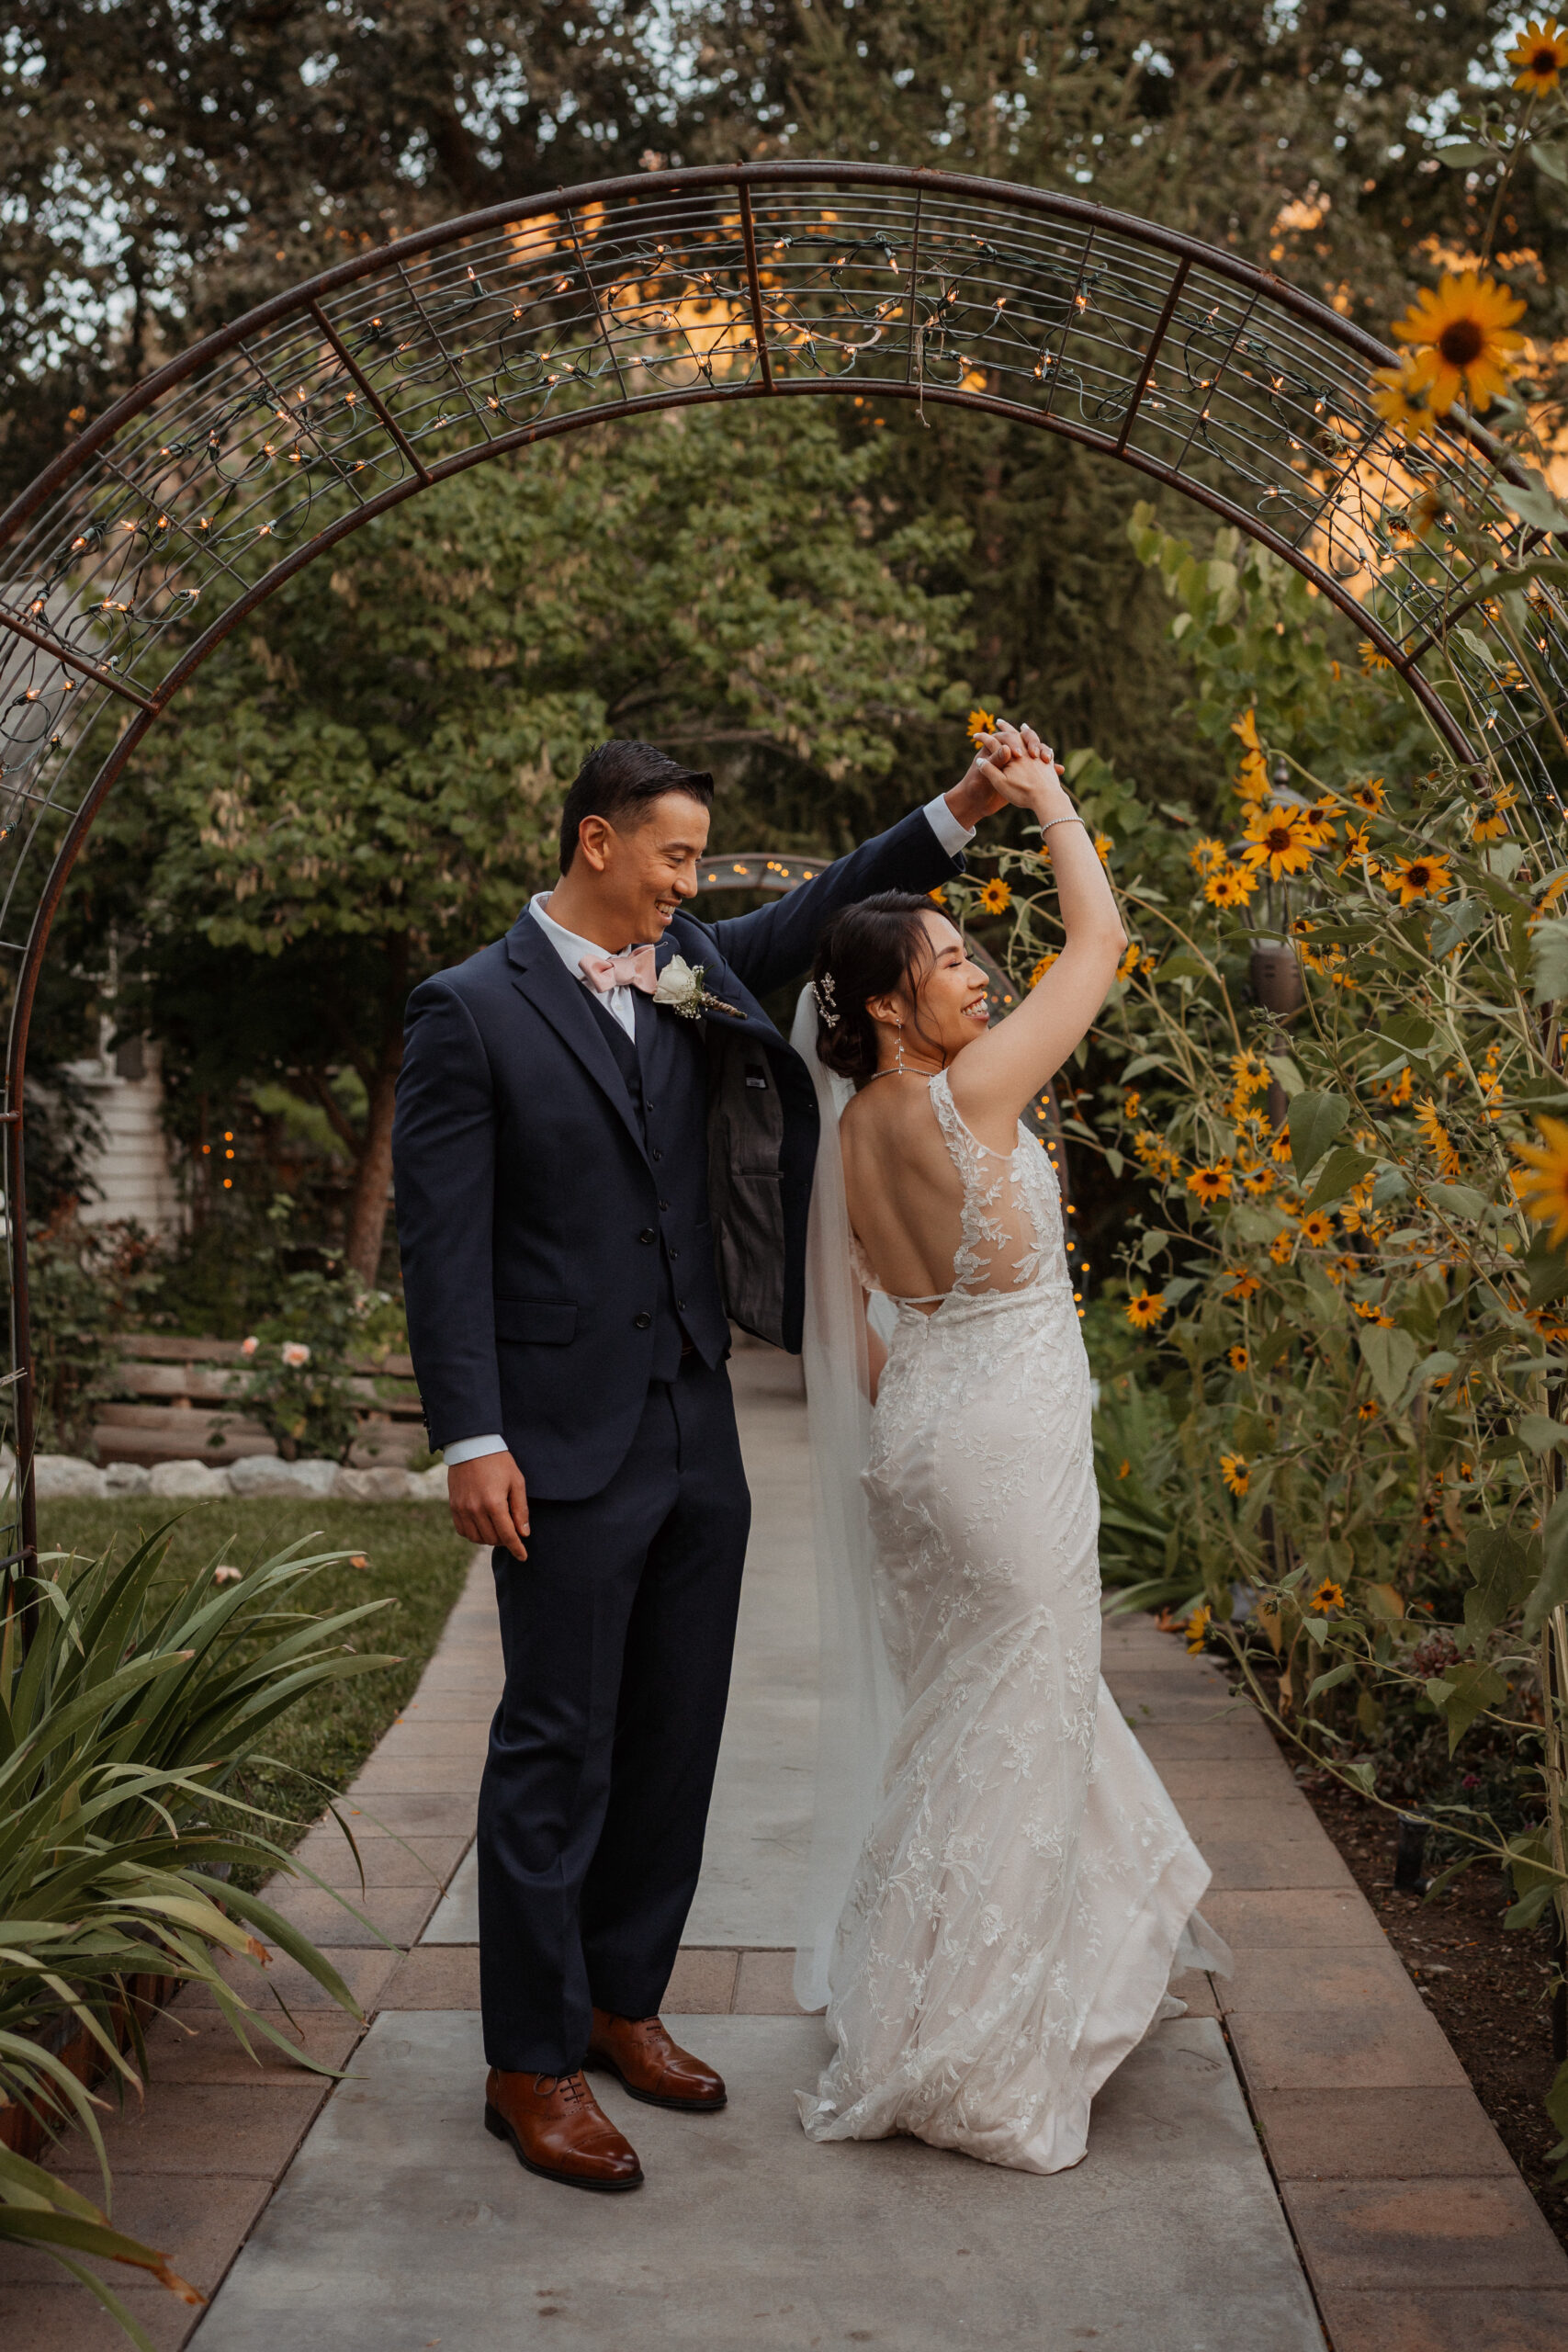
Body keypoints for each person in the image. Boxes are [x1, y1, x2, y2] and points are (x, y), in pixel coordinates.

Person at [391, 735, 1006, 2192]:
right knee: (557, 1745)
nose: (689, 881)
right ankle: (529, 2066)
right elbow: (442, 1244)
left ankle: (622, 2004)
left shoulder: (694, 963)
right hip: (553, 1440)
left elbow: (837, 896)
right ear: (595, 842)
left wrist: (963, 811)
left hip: (691, 1423)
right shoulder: (468, 1012)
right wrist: (472, 1435)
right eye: (671, 854)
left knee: (674, 1734)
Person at [794, 718, 1229, 2176]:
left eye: (978, 956)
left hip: (925, 1441)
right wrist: (1048, 802)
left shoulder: (852, 1128)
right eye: (950, 959)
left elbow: (863, 1324)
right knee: (1020, 1719)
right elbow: (1098, 950)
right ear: (884, 1000)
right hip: (1003, 1437)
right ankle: (975, 2052)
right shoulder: (966, 1096)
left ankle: (921, 1997)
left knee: (964, 1721)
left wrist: (920, 1420)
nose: (977, 971)